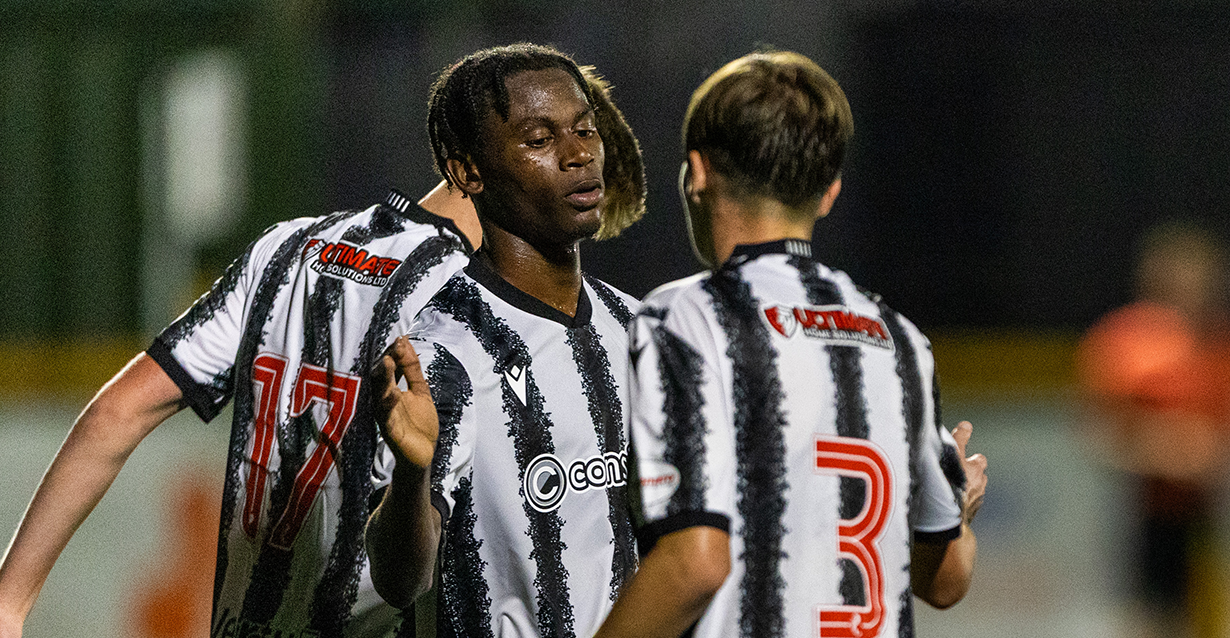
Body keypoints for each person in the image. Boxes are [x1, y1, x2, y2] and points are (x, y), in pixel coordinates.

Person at [0, 63, 644, 637]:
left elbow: (119, 411)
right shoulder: (469, 311)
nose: (576, 170)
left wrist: (9, 601)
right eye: (541, 142)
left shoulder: (287, 249)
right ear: (480, 167)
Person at [590, 50, 988, 638]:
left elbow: (694, 564)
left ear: (697, 172)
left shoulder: (687, 316)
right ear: (829, 193)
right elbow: (946, 580)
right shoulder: (900, 338)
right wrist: (958, 512)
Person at [364, 43, 646, 638]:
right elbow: (400, 580)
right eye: (540, 139)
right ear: (469, 172)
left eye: (585, 130)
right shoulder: (443, 353)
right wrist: (412, 478)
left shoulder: (640, 330)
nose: (579, 155)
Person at [1077, 222, 1230, 638]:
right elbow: (1099, 431)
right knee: (1153, 617)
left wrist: (1204, 453)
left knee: (1216, 618)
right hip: (1147, 511)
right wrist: (1161, 448)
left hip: (1211, 510)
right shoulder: (1125, 340)